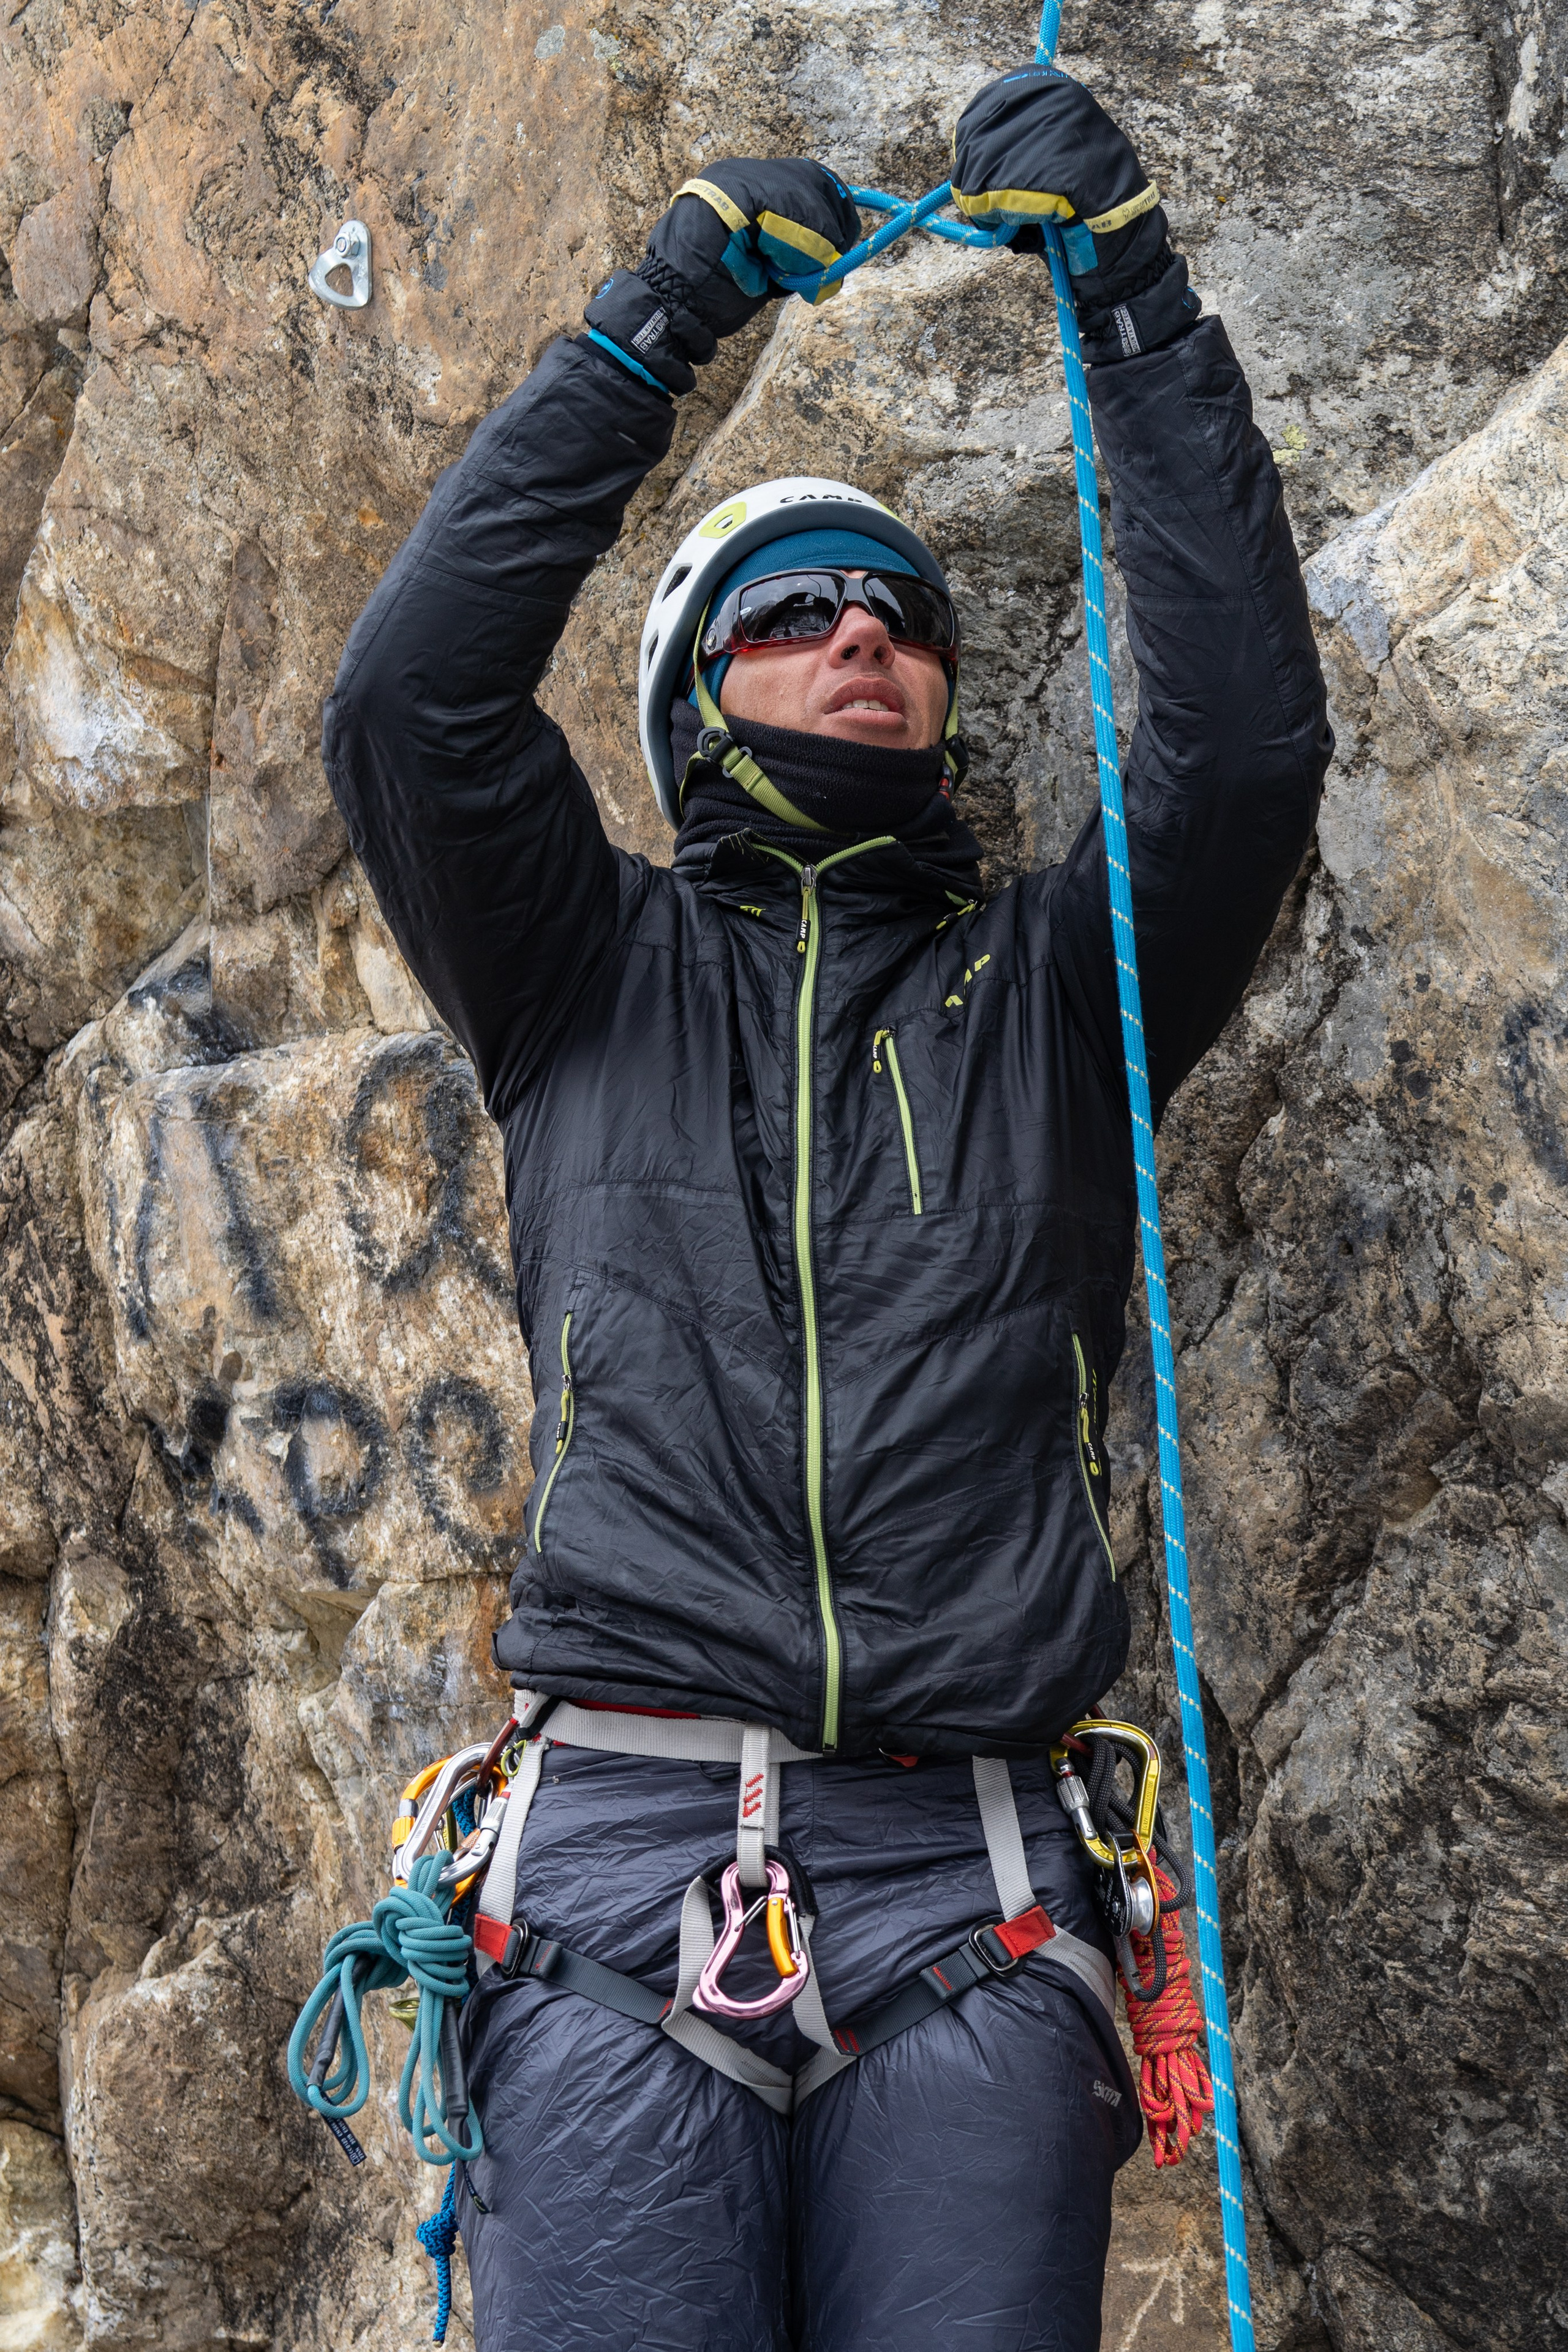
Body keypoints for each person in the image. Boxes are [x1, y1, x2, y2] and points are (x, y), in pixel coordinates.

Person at [323, 63, 1330, 2352]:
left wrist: (1142, 314)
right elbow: (408, 704)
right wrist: (654, 318)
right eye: (791, 612)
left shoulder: (1063, 992)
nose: (860, 630)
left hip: (966, 1884)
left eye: (895, 609)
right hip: (607, 1880)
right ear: (700, 703)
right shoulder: (580, 966)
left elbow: (1247, 752)